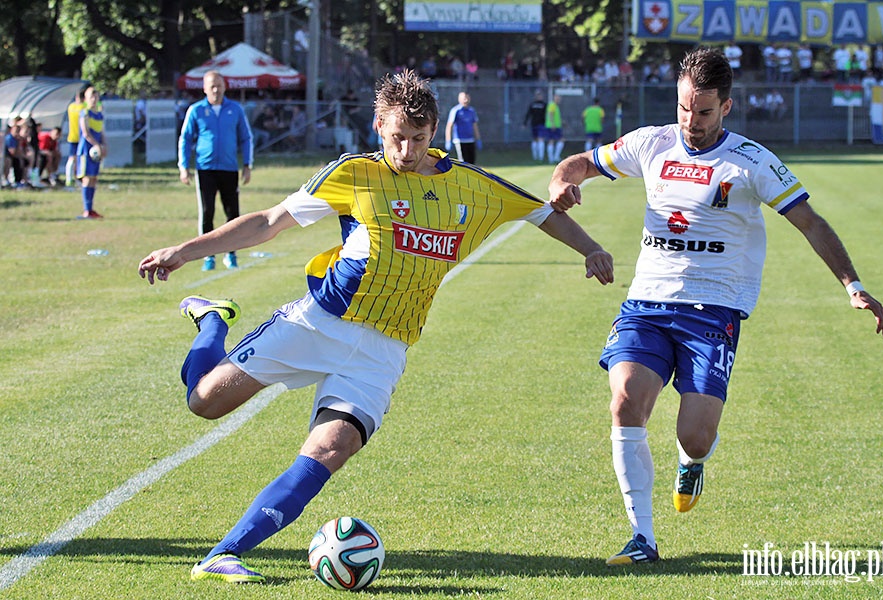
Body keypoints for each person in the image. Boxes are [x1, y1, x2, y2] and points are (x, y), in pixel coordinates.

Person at [137, 69, 614, 584]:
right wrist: (184, 251)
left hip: (383, 351)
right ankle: (212, 320)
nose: (406, 150)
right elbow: (269, 221)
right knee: (205, 402)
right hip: (320, 322)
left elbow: (543, 214)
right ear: (378, 126)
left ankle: (223, 553)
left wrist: (591, 248)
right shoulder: (354, 174)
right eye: (395, 138)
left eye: (418, 138)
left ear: (435, 131)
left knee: (330, 448)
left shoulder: (473, 187)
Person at [547, 47, 883, 566]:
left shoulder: (752, 162)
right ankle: (643, 539)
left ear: (726, 107)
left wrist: (852, 283)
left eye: (704, 111)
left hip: (714, 311)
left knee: (696, 434)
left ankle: (692, 461)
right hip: (646, 302)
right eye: (685, 107)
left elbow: (811, 223)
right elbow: (580, 163)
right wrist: (561, 184)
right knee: (624, 402)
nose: (692, 121)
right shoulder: (652, 143)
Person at [178, 70, 253, 271]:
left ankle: (231, 254)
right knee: (207, 212)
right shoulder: (196, 110)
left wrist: (247, 165)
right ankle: (208, 257)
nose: (215, 89)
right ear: (204, 88)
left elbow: (246, 138)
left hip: (229, 168)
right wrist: (183, 167)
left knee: (233, 214)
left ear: (224, 87)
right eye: (211, 85)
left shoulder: (235, 110)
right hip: (206, 169)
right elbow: (185, 138)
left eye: (219, 85)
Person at [76, 86, 105, 219]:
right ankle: (86, 210)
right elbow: (86, 133)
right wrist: (97, 145)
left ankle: (91, 209)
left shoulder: (99, 115)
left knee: (93, 178)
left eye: (95, 97)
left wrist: (104, 146)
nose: (93, 99)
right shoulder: (85, 113)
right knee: (87, 178)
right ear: (86, 100)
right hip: (86, 151)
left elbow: (101, 132)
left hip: (96, 152)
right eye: (91, 97)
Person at [444, 91, 481, 163]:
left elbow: (475, 126)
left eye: (467, 98)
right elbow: (449, 126)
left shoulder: (471, 111)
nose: (466, 100)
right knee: (463, 163)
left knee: (472, 163)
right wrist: (448, 140)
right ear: (459, 99)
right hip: (460, 140)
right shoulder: (455, 111)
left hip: (470, 140)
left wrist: (478, 139)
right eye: (464, 98)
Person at [65, 87, 85, 188]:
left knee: (72, 159)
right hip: (80, 138)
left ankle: (69, 179)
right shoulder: (83, 108)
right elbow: (98, 106)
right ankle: (76, 178)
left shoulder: (71, 106)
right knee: (79, 159)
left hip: (72, 137)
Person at [523, 90, 547, 161]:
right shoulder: (533, 104)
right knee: (535, 140)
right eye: (538, 95)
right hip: (534, 124)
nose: (539, 96)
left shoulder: (544, 105)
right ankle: (535, 157)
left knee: (540, 139)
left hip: (542, 124)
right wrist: (525, 123)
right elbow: (528, 114)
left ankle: (540, 157)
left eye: (540, 95)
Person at [545, 94, 564, 164]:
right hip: (552, 126)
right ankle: (553, 158)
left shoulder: (556, 106)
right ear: (554, 98)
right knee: (553, 141)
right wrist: (552, 123)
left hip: (556, 126)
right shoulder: (552, 105)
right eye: (557, 98)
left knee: (557, 141)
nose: (559, 99)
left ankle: (554, 157)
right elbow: (550, 114)